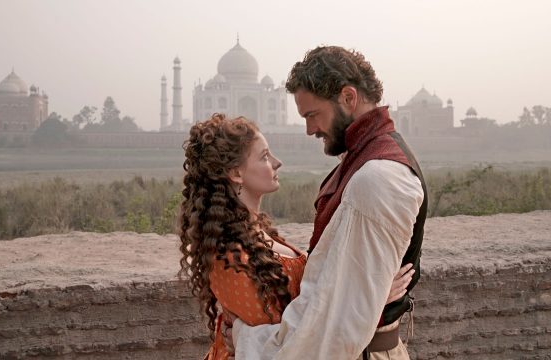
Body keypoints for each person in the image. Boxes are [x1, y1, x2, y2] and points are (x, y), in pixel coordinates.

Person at [230, 46, 428, 359]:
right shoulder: (365, 159)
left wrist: (249, 338)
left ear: (348, 98)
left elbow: (336, 326)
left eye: (312, 115)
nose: (309, 129)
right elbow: (342, 289)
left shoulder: (378, 175)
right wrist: (367, 295)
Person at [177, 114, 415, 360]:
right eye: (265, 157)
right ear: (236, 173)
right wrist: (368, 298)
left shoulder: (256, 232)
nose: (277, 162)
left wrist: (363, 291)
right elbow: (291, 342)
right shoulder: (229, 256)